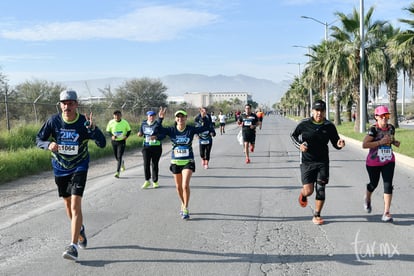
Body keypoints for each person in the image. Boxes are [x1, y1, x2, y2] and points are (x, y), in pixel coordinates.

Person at [36, 90, 106, 261]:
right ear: (60, 105)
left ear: (76, 104)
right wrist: (48, 144)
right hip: (60, 167)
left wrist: (94, 129)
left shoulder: (84, 122)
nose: (67, 106)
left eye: (71, 103)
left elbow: (102, 144)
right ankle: (80, 231)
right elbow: (39, 139)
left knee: (75, 205)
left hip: (79, 166)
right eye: (64, 103)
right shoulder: (53, 121)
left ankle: (73, 246)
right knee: (67, 204)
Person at [290, 99, 345, 225]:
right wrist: (300, 146)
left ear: (325, 112)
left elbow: (335, 142)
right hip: (306, 162)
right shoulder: (304, 124)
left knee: (321, 189)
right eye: (317, 110)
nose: (319, 113)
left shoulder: (329, 126)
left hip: (322, 162)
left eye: (322, 111)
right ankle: (303, 194)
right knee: (309, 191)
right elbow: (293, 136)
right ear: (312, 111)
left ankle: (317, 215)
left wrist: (340, 144)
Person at [158, 109, 214, 219]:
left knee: (185, 185)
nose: (180, 119)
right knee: (178, 187)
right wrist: (160, 119)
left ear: (186, 118)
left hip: (188, 161)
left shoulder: (190, 129)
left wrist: (204, 117)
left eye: (182, 117)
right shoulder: (171, 130)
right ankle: (183, 203)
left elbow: (206, 127)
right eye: (178, 117)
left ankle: (186, 207)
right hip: (175, 161)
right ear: (175, 119)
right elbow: (158, 129)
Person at [362, 105, 400, 222]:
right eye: (382, 116)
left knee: (388, 184)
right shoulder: (373, 130)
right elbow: (364, 144)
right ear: (376, 117)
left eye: (387, 116)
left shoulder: (391, 128)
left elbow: (391, 139)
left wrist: (394, 142)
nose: (385, 118)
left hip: (388, 160)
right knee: (373, 184)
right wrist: (380, 142)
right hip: (373, 162)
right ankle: (367, 198)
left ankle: (386, 212)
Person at [137, 108, 165, 188]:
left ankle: (155, 181)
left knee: (154, 164)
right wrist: (139, 134)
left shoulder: (158, 124)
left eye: (153, 116)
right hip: (146, 147)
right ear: (147, 116)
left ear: (155, 117)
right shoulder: (143, 123)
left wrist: (156, 137)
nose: (151, 117)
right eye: (150, 116)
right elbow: (141, 133)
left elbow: (163, 135)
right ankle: (147, 180)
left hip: (156, 147)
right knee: (146, 164)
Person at [106, 110, 131, 178]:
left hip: (122, 141)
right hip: (114, 141)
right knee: (116, 156)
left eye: (118, 115)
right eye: (115, 115)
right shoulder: (111, 122)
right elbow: (108, 131)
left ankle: (117, 172)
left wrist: (126, 136)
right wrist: (112, 136)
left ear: (121, 116)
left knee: (119, 156)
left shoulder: (125, 122)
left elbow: (129, 130)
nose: (116, 116)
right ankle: (122, 163)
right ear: (113, 116)